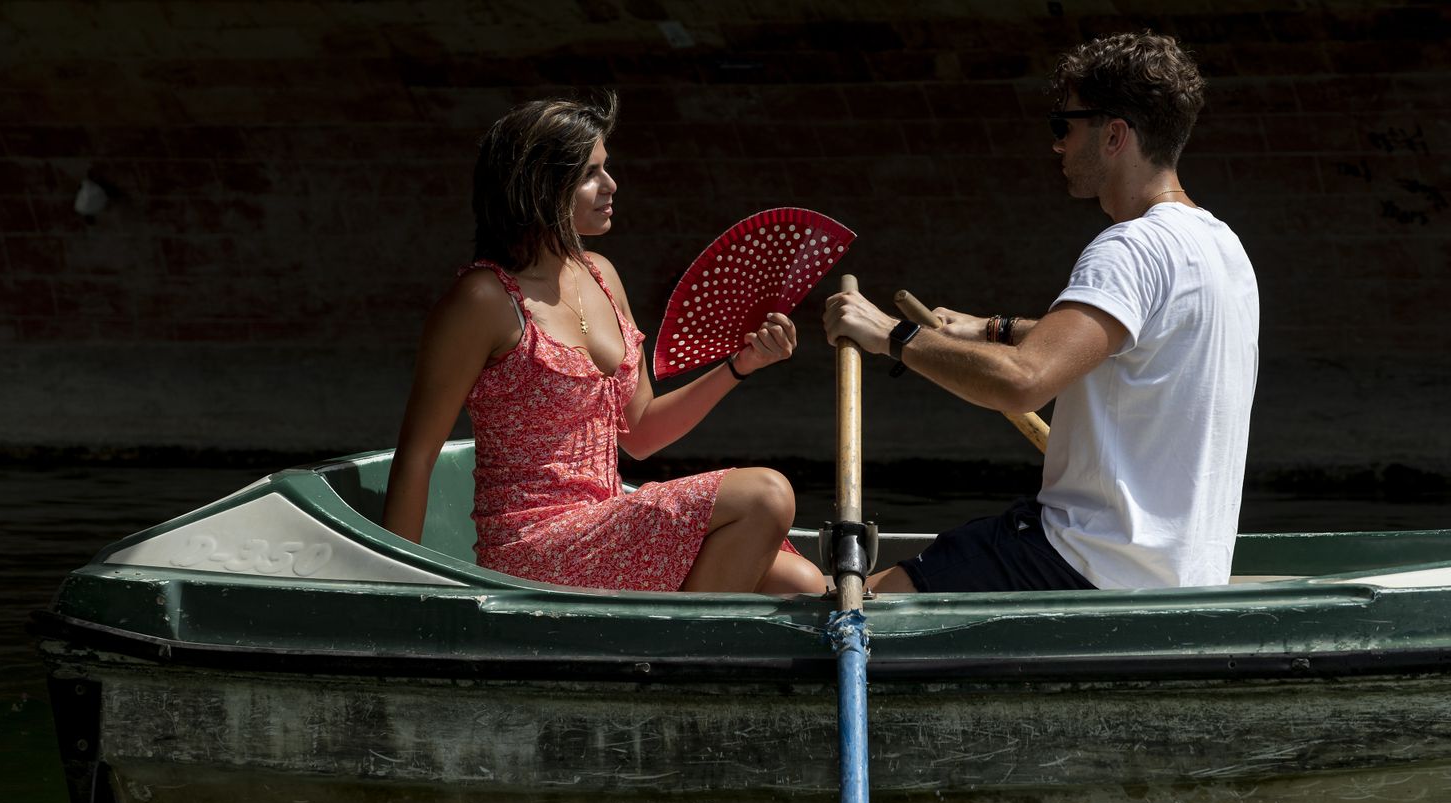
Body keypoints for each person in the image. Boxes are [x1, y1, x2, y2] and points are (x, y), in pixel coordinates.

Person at [823, 30, 1258, 592]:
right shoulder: (1224, 248)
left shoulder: (1129, 248)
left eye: (1065, 126)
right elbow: (1141, 344)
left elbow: (1023, 383)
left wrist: (890, 334)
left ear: (1115, 135)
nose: (1058, 145)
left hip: (1084, 563)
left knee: (860, 599)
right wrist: (992, 329)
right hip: (1183, 576)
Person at [383, 93, 824, 594]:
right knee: (766, 495)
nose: (611, 186)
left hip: (607, 528)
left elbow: (640, 432)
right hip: (534, 550)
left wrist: (739, 366)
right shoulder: (482, 299)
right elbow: (418, 455)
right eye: (591, 174)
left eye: (606, 169)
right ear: (540, 185)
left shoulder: (602, 276)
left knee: (801, 584)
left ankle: (671, 646)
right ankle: (669, 657)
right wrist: (401, 590)